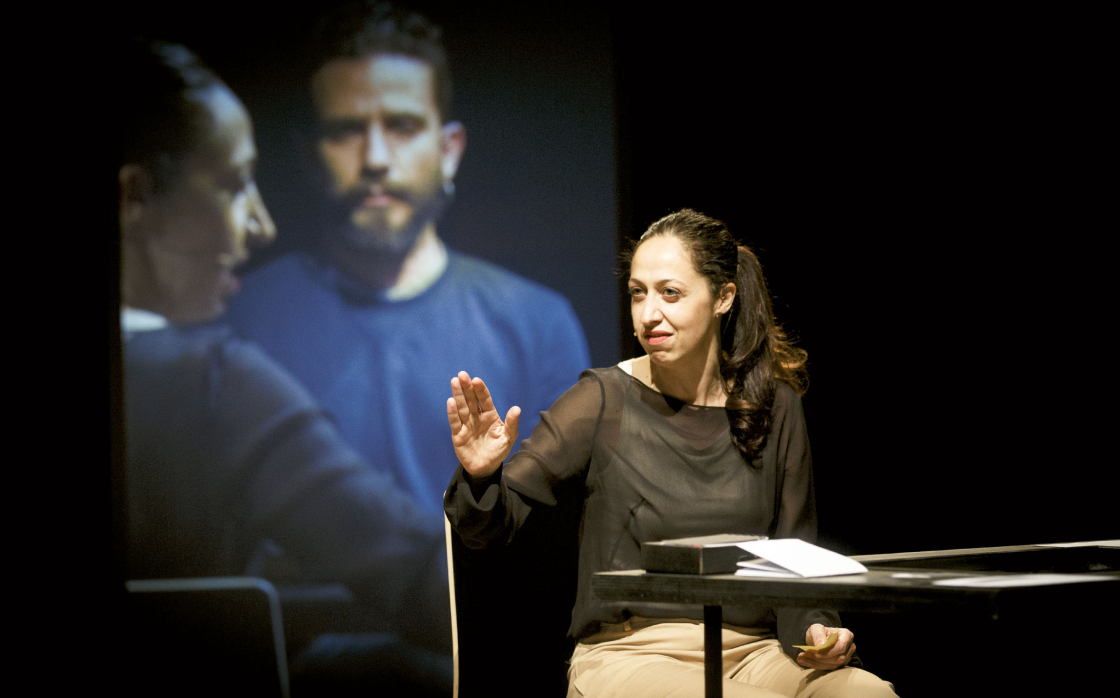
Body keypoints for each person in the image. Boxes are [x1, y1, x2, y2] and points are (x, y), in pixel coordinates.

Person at [444, 209, 897, 697]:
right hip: (632, 653)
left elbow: (795, 561)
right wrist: (482, 476)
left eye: (670, 293)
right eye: (638, 293)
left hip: (754, 650)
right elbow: (491, 523)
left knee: (866, 693)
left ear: (723, 297)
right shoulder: (602, 398)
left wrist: (816, 630)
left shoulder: (775, 406)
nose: (647, 313)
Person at [119, 39, 452, 694]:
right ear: (133, 197)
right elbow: (420, 575)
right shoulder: (212, 381)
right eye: (235, 184)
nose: (262, 226)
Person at [224, 0, 590, 517]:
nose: (375, 158)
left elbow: (558, 527)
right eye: (346, 130)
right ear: (309, 155)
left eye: (401, 126)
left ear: (449, 149)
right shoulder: (246, 322)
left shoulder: (538, 325)